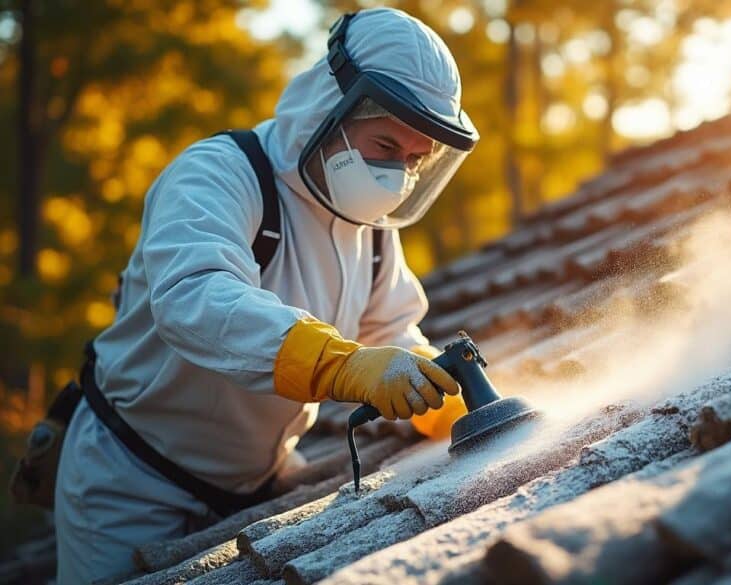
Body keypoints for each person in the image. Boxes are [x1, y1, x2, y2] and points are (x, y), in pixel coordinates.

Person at [53, 8, 474, 583]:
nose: (395, 175)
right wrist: (339, 364)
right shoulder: (220, 172)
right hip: (129, 484)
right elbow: (194, 299)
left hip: (259, 479)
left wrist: (439, 390)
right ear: (332, 106)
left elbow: (390, 333)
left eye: (413, 160)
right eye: (383, 145)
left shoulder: (372, 233)